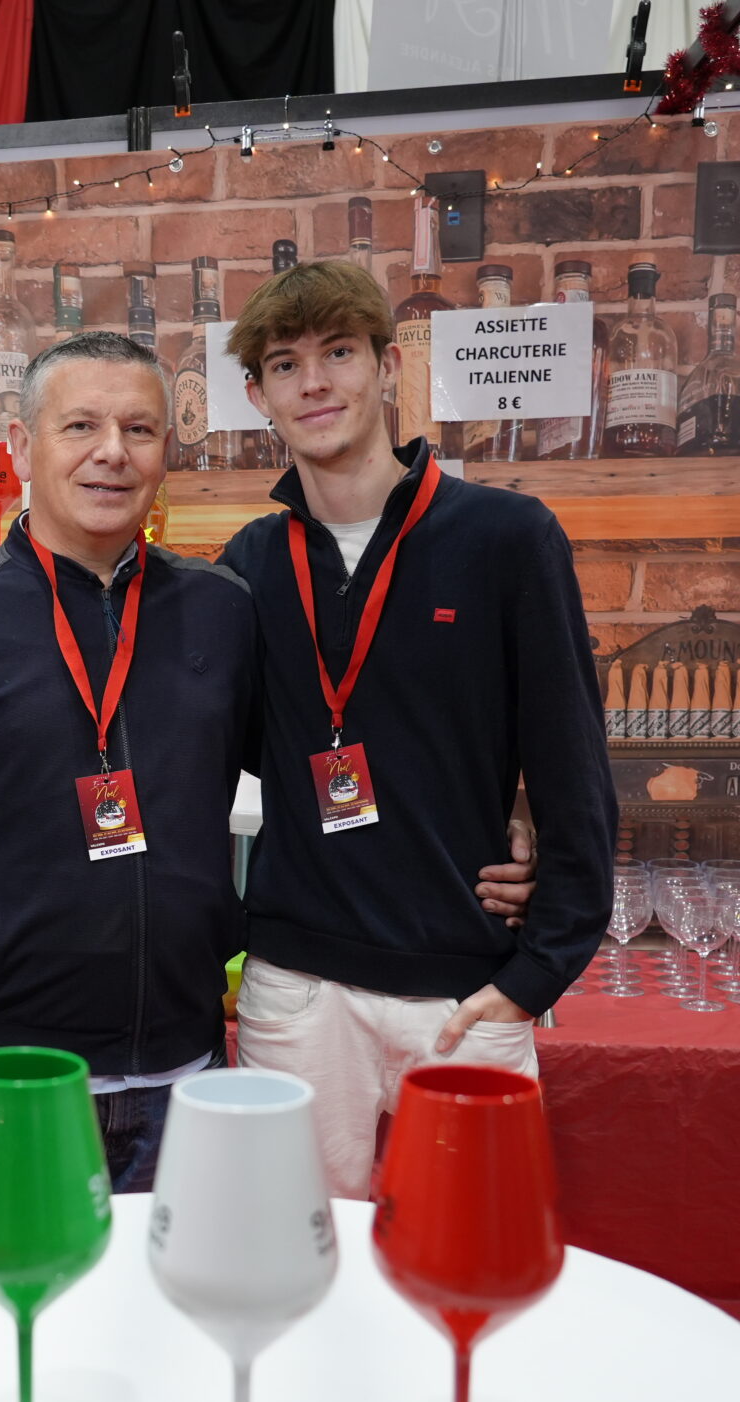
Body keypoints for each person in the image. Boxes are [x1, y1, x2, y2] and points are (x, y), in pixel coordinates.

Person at [0, 333, 535, 1193]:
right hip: (6, 1075)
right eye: (80, 426)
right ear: (21, 445)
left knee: (188, 1280)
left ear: (165, 448)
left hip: (186, 1074)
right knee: (27, 1281)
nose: (112, 452)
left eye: (139, 429)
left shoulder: (220, 607)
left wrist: (502, 818)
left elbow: (320, 753)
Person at [217, 260, 614, 1198]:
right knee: (294, 1260)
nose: (314, 383)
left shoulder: (508, 539)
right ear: (259, 396)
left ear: (388, 366)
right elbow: (208, 747)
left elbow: (573, 769)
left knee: (473, 1262)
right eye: (285, 364)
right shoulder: (248, 566)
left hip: (467, 996)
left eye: (338, 353)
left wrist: (538, 972)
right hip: (297, 994)